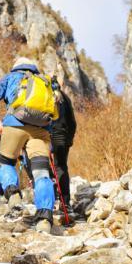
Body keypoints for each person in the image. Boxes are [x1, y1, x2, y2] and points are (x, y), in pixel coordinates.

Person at [0, 56, 58, 233]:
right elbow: (55, 107)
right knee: (41, 173)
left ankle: (14, 197)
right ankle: (45, 219)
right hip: (40, 130)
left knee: (6, 162)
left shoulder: (12, 76)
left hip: (14, 124)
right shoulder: (44, 81)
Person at [50, 77, 77, 212]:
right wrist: (70, 139)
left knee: (46, 168)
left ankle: (49, 201)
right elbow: (72, 122)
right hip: (63, 138)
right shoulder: (65, 98)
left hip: (48, 136)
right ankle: (65, 202)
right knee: (61, 167)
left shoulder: (45, 96)